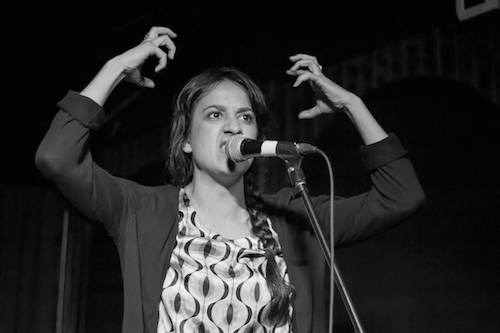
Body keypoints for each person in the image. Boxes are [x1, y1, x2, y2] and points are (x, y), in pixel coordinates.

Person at [35, 26, 425, 333]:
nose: (232, 127)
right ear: (185, 140)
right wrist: (117, 66)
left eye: (244, 116)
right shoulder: (142, 211)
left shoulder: (294, 218)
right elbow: (56, 157)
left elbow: (401, 196)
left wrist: (351, 105)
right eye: (215, 115)